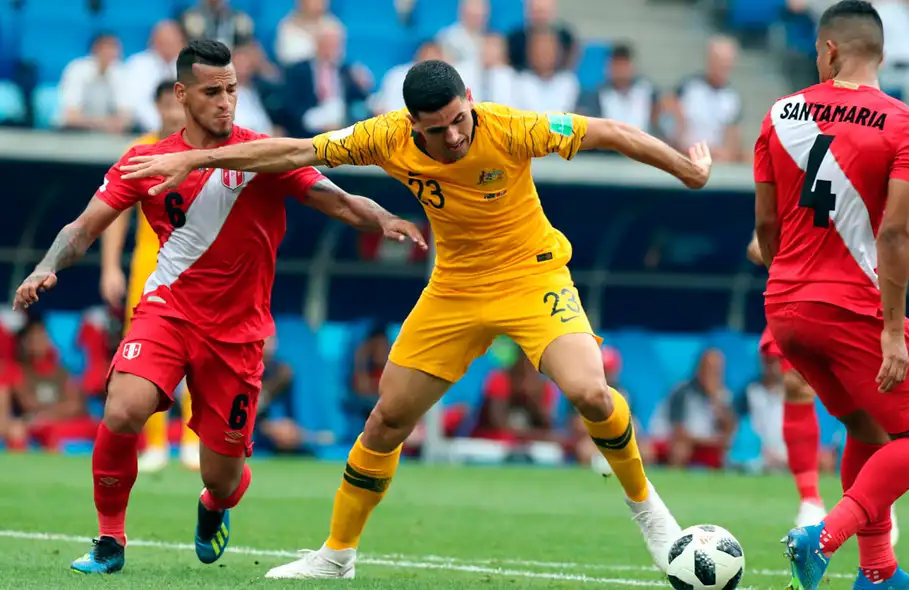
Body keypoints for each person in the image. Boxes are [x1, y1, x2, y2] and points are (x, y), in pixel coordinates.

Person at [120, 59, 713, 578]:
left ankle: (651, 515)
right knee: (386, 420)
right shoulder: (384, 137)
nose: (453, 135)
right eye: (437, 128)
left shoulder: (512, 127)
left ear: (470, 103)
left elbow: (609, 131)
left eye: (459, 120)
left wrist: (686, 170)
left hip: (532, 277)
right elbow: (295, 151)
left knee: (590, 392)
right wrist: (201, 158)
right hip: (454, 290)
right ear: (413, 125)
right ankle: (336, 555)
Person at [12, 39, 424, 575]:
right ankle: (109, 540)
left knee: (222, 478)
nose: (225, 101)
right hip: (168, 311)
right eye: (212, 92)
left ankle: (213, 506)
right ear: (182, 94)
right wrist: (45, 266)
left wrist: (383, 218)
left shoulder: (264, 156)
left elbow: (339, 200)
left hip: (237, 333)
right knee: (122, 409)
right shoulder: (146, 160)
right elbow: (84, 227)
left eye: (231, 89)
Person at [754, 3, 909, 589]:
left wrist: (787, 279)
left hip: (785, 307)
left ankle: (878, 573)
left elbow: (764, 225)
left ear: (830, 49)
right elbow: (895, 233)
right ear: (880, 54)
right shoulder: (904, 123)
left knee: (869, 430)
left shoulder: (781, 113)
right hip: (851, 304)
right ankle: (822, 537)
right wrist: (892, 330)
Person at [747, 140, 909, 538]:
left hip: (860, 290)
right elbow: (768, 227)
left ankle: (872, 512)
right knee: (797, 383)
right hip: (806, 285)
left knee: (877, 412)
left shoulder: (896, 131)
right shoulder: (804, 126)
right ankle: (811, 502)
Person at [100, 80, 200, 473]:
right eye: (166, 106)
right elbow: (116, 211)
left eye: (178, 106)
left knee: (198, 351)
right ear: (158, 107)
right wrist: (111, 267)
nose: (173, 113)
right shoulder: (140, 151)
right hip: (149, 262)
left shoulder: (202, 149)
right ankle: (154, 444)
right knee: (143, 354)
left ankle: (192, 441)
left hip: (195, 263)